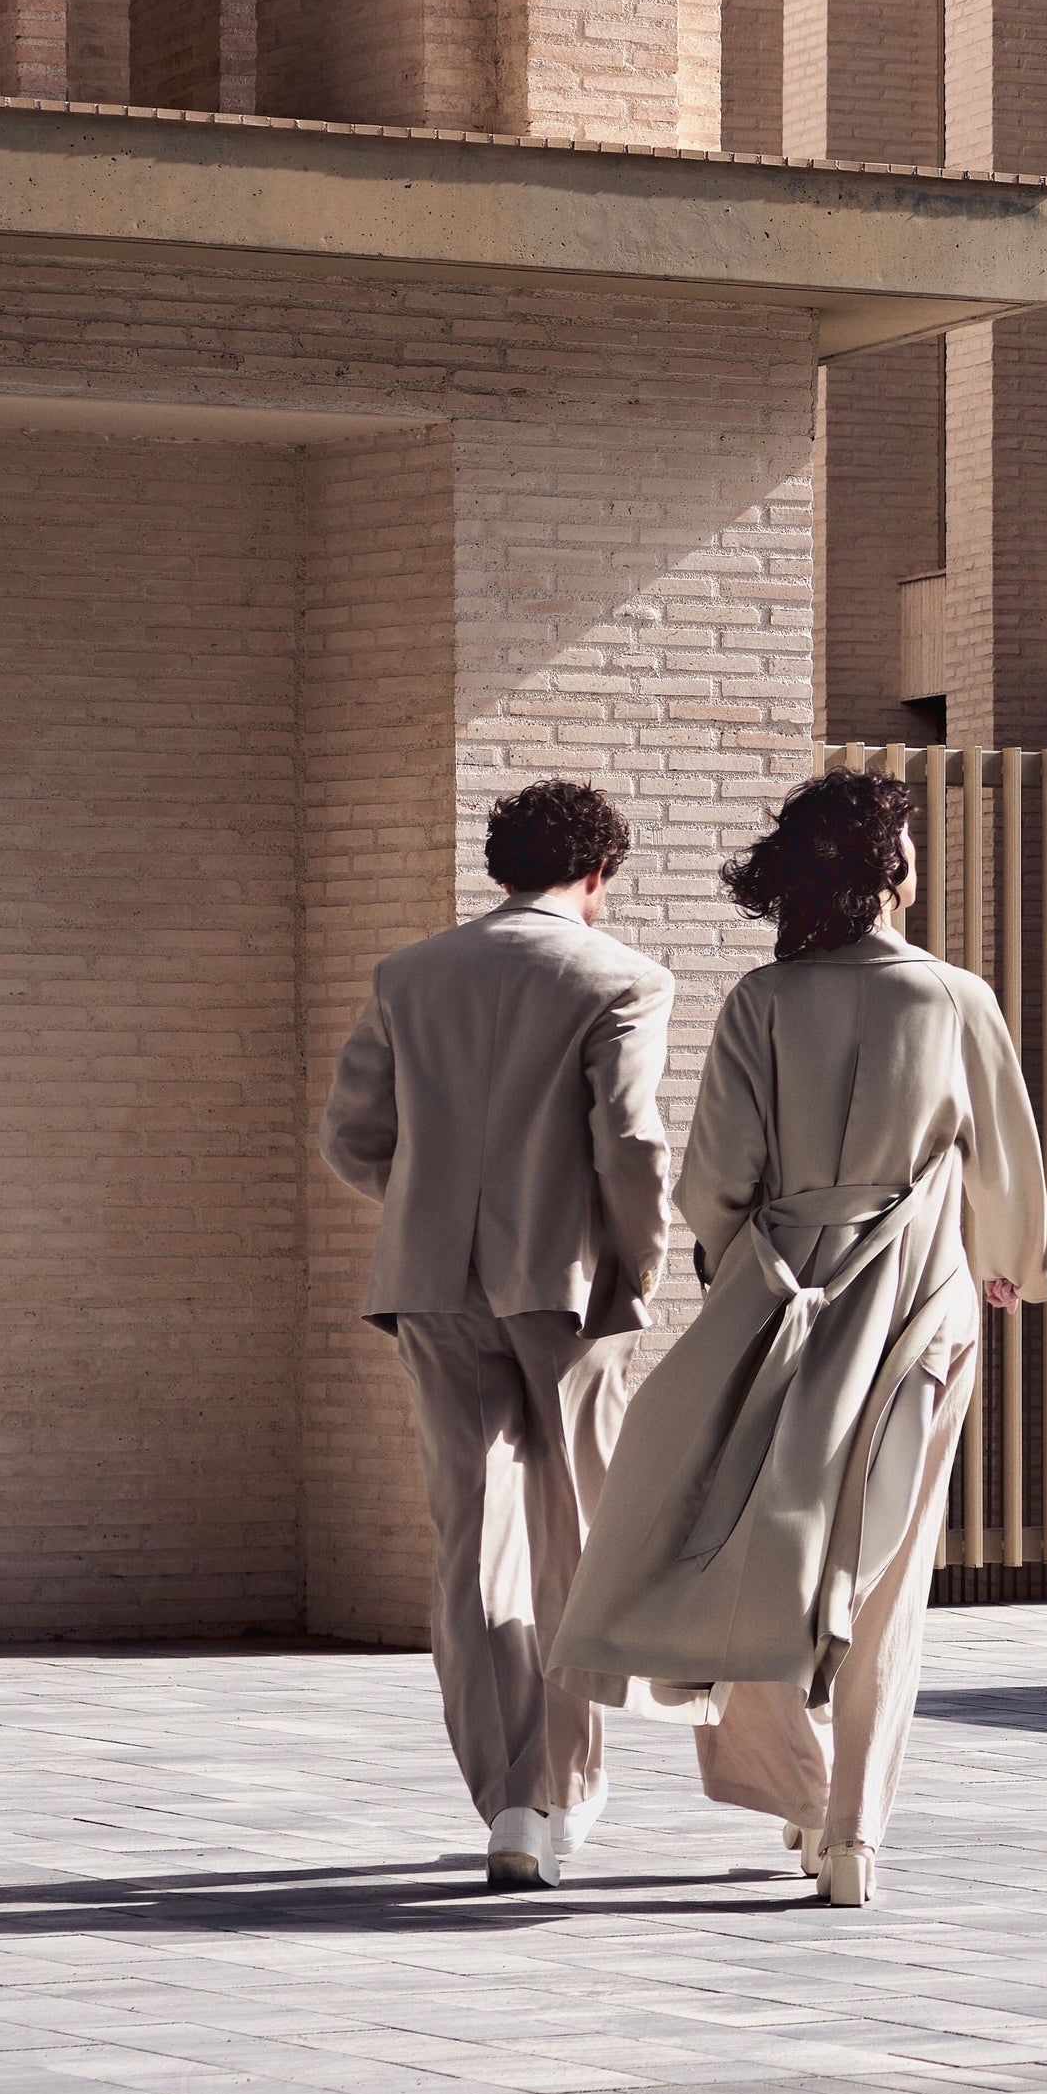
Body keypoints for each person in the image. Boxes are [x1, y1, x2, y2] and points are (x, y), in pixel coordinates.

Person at [550, 771, 1047, 1907]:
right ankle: (856, 1836)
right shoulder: (957, 998)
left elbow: (716, 1183)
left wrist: (747, 1278)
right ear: (886, 863)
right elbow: (1007, 1172)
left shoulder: (763, 1001)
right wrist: (1011, 1264)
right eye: (909, 841)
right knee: (889, 1575)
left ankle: (804, 1791)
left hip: (780, 1296)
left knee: (763, 1555)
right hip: (921, 1304)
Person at [321, 779, 677, 1892]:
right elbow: (629, 1137)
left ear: (500, 864)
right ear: (600, 873)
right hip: (566, 1290)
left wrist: (426, 1202)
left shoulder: (407, 974)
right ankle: (558, 1788)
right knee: (582, 1537)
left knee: (472, 1540)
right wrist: (641, 1258)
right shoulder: (621, 976)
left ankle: (508, 1799)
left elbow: (352, 1136)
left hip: (429, 1283)